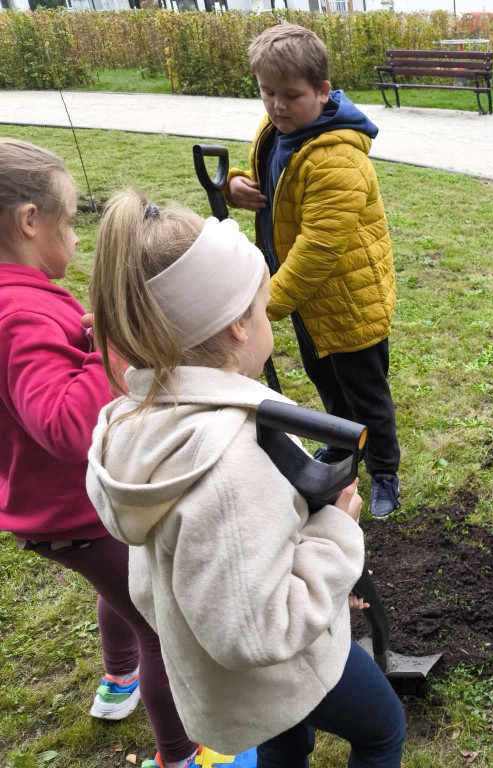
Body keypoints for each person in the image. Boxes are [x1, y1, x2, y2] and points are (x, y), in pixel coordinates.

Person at [86, 191, 406, 767]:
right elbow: (258, 630)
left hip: (231, 684)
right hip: (285, 670)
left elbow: (160, 586)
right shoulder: (227, 462)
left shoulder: (141, 427)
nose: (268, 323)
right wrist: (336, 534)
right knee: (383, 728)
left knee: (286, 739)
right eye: (261, 310)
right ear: (236, 326)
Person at [0, 139, 210, 768]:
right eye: (67, 221)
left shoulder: (20, 295)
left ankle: (118, 682)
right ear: (29, 221)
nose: (73, 236)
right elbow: (64, 423)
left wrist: (84, 336)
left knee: (123, 586)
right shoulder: (17, 311)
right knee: (159, 626)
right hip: (72, 512)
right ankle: (181, 755)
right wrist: (111, 345)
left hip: (64, 513)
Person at [224, 22, 401, 519]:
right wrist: (237, 186)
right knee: (326, 381)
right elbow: (267, 186)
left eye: (291, 95)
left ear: (323, 91)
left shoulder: (338, 159)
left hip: (347, 299)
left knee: (367, 395)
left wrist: (265, 303)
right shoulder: (278, 132)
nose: (277, 105)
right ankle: (343, 445)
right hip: (303, 299)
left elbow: (319, 248)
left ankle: (384, 468)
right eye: (267, 93)